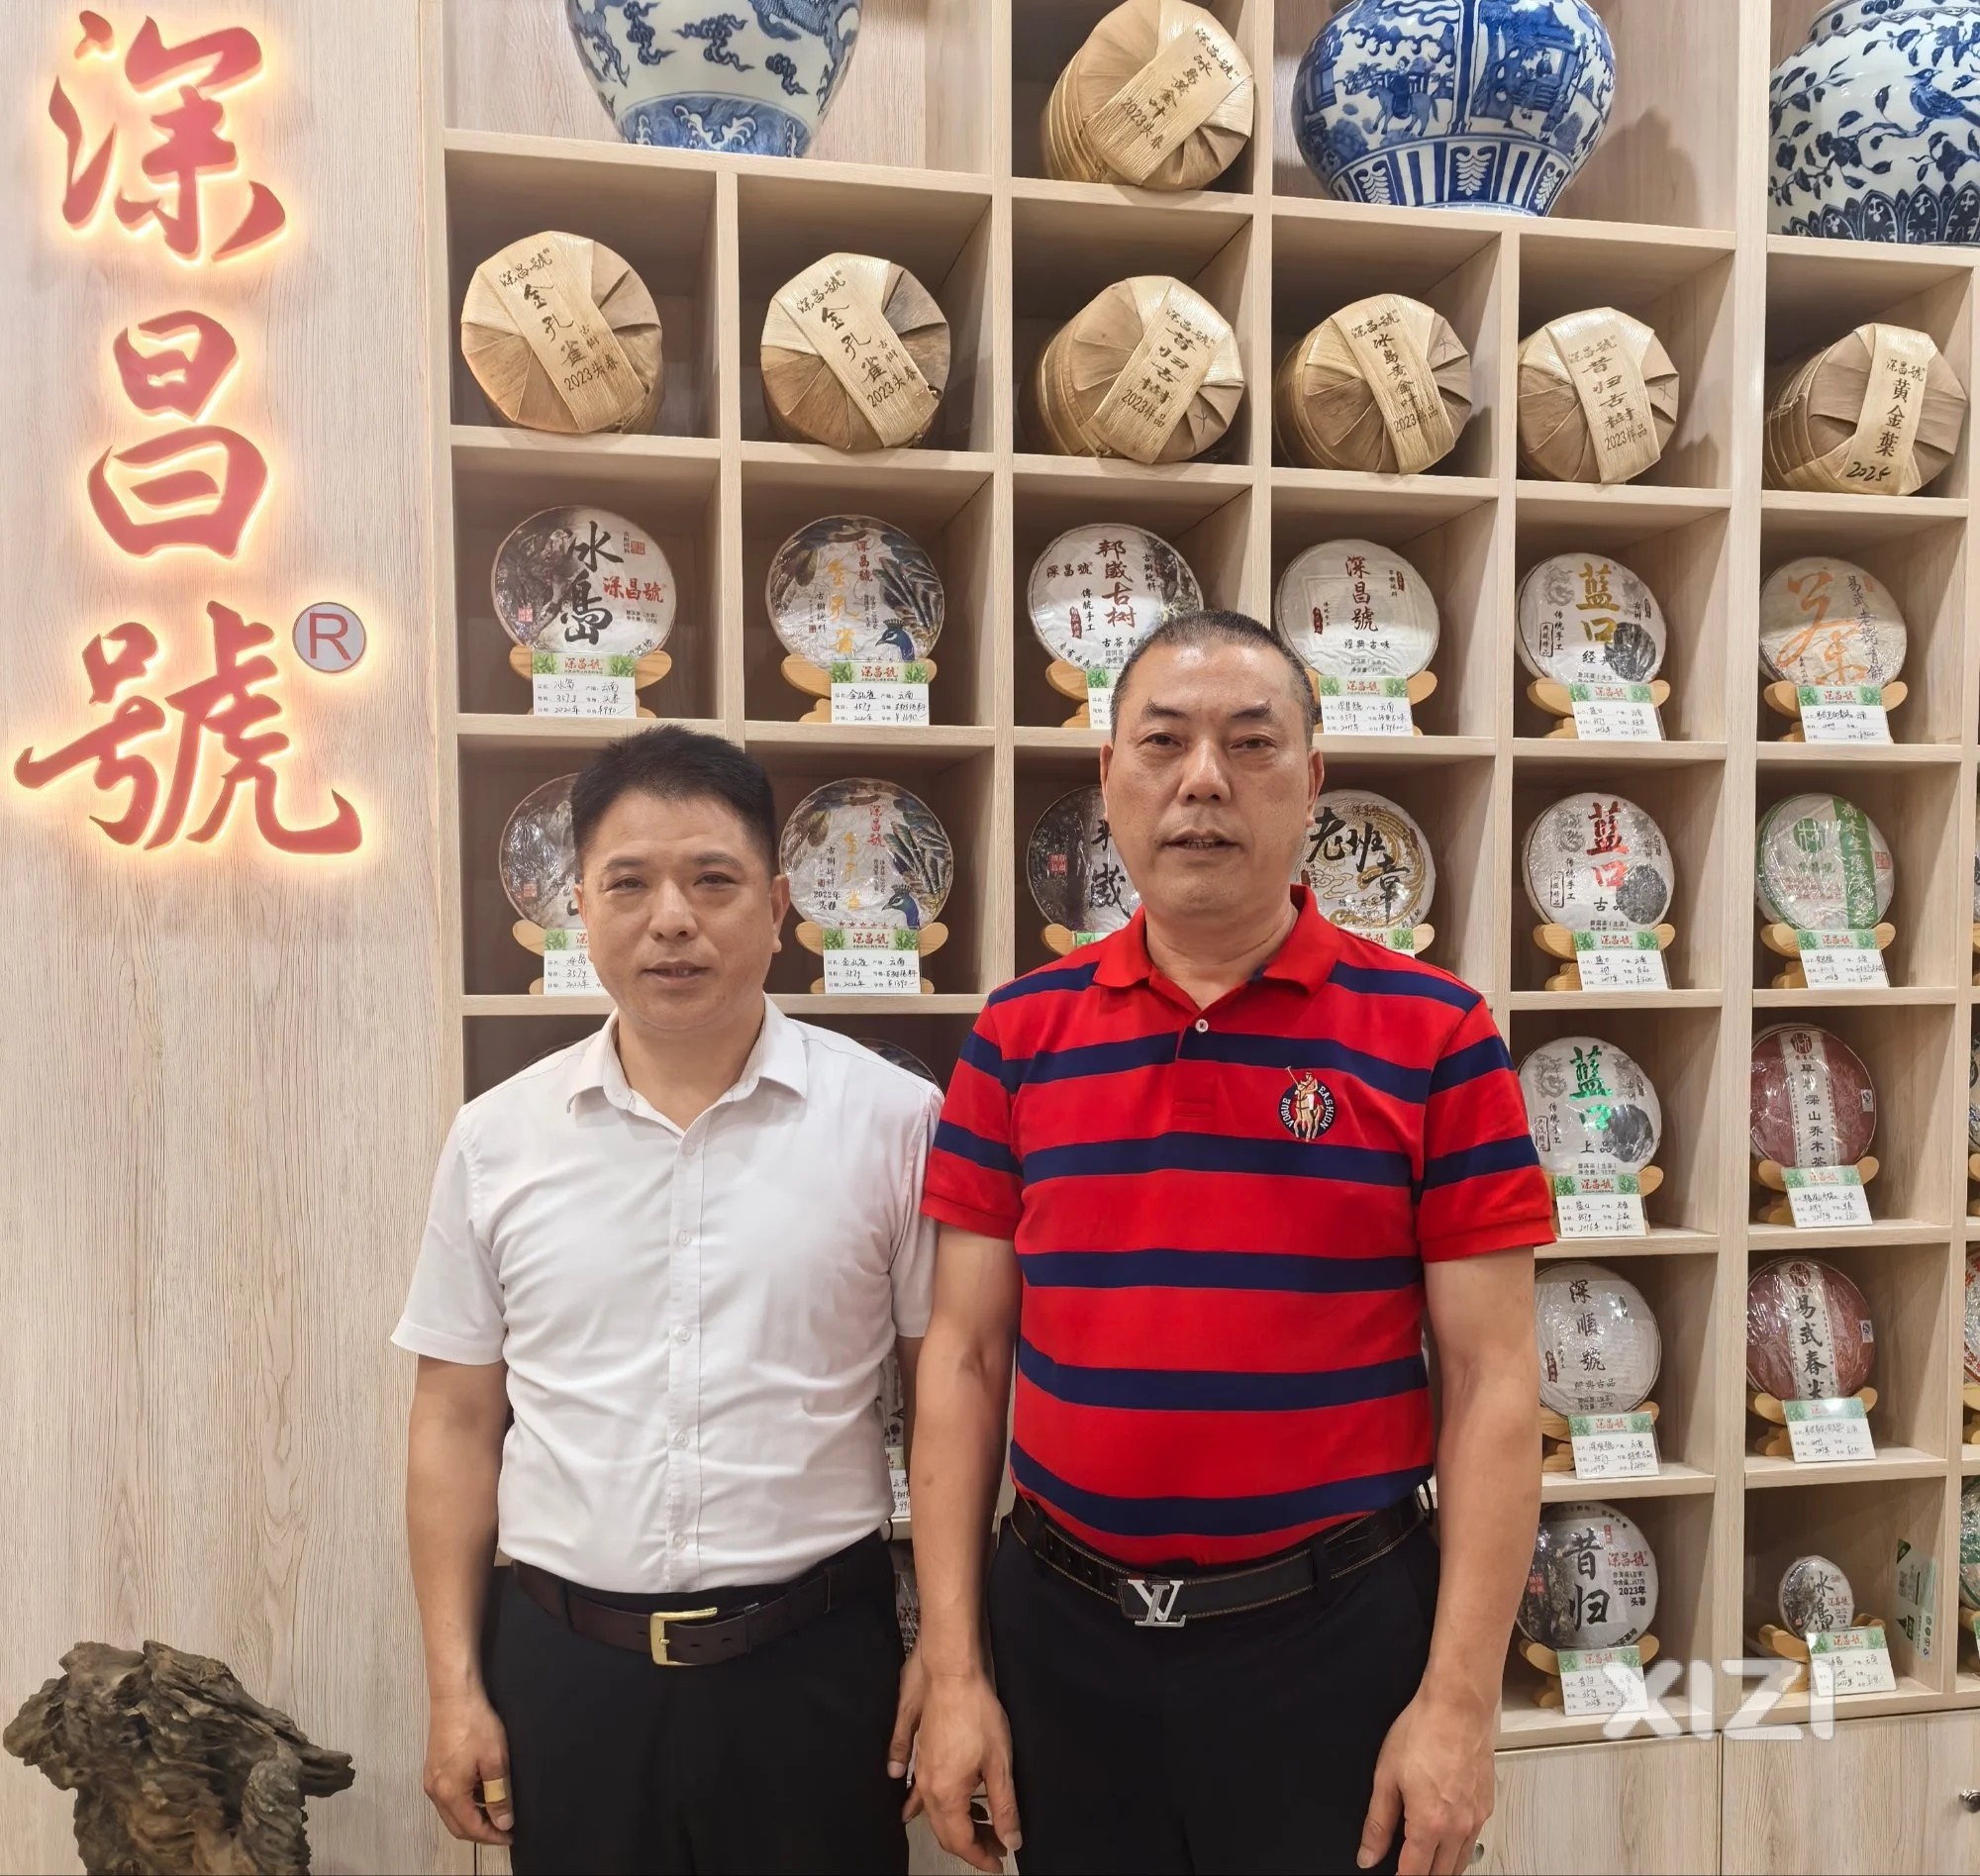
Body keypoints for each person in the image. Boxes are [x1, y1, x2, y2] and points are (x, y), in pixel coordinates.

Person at [908, 612, 1552, 1876]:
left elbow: (1491, 1378)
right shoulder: (1016, 1035)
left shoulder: (1435, 1033)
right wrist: (952, 1668)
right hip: (1061, 1640)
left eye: (1250, 743)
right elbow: (963, 1355)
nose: (1202, 779)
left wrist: (1458, 1701)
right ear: (1108, 776)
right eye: (1162, 742)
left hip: (1335, 1642)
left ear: (1311, 780)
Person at [393, 725, 939, 1875]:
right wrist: (452, 1685)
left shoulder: (894, 1122)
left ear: (777, 905)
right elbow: (452, 1418)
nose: (671, 919)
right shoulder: (496, 1138)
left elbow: (946, 1394)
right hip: (566, 1671)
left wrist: (948, 1646)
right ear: (578, 906)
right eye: (628, 882)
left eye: (712, 879)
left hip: (815, 1665)